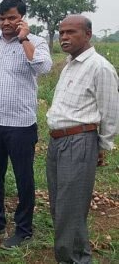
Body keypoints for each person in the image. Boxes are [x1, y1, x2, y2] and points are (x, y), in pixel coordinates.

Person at [0, 0, 52, 248]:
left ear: (22, 18)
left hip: (21, 123)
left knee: (23, 178)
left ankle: (24, 229)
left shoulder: (36, 42)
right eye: (2, 18)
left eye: (12, 18)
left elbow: (42, 68)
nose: (6, 23)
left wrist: (24, 38)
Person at [46, 15, 118, 263]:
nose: (64, 37)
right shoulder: (70, 64)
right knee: (60, 206)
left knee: (71, 210)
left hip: (79, 141)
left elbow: (110, 111)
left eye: (71, 32)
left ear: (87, 35)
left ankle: (76, 259)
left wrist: (101, 146)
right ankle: (74, 257)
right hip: (58, 142)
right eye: (61, 32)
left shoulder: (100, 67)